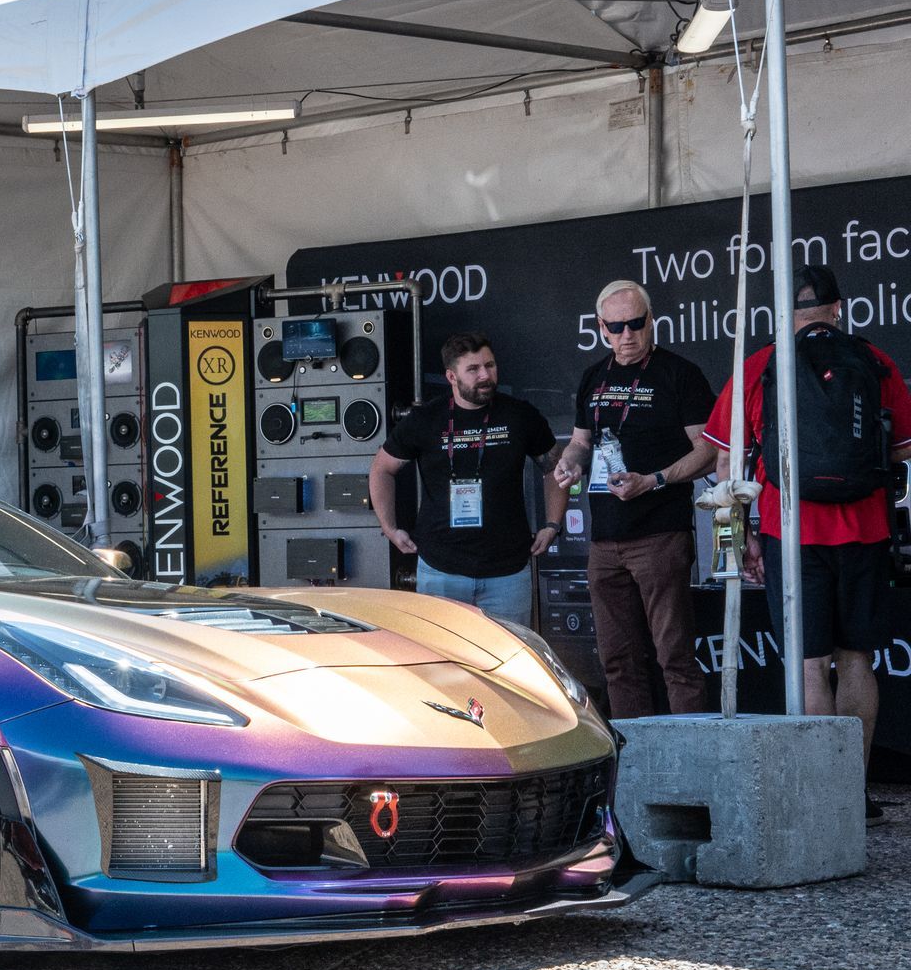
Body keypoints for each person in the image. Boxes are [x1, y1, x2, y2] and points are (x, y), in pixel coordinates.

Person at [705, 264, 911, 825]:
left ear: (786, 315)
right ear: (839, 310)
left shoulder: (758, 367)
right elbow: (899, 452)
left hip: (789, 532)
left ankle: (820, 791)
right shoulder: (875, 361)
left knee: (808, 663)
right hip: (865, 530)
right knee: (857, 660)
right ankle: (853, 790)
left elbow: (728, 465)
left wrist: (739, 539)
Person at [552, 280, 717, 718]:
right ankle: (636, 767)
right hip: (605, 540)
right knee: (617, 662)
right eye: (617, 327)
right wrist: (570, 462)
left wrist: (655, 479)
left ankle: (691, 763)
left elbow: (710, 450)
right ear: (601, 328)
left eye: (636, 324)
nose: (627, 335)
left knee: (675, 658)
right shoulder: (594, 376)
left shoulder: (679, 374)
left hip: (660, 533)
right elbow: (580, 442)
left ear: (652, 322)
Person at [370, 331, 565, 625]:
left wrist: (552, 524)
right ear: (451, 376)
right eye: (473, 369)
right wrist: (389, 527)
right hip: (440, 570)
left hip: (508, 573)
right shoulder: (426, 419)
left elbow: (555, 467)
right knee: (444, 663)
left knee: (509, 664)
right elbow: (381, 468)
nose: (485, 375)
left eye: (490, 365)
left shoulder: (519, 415)